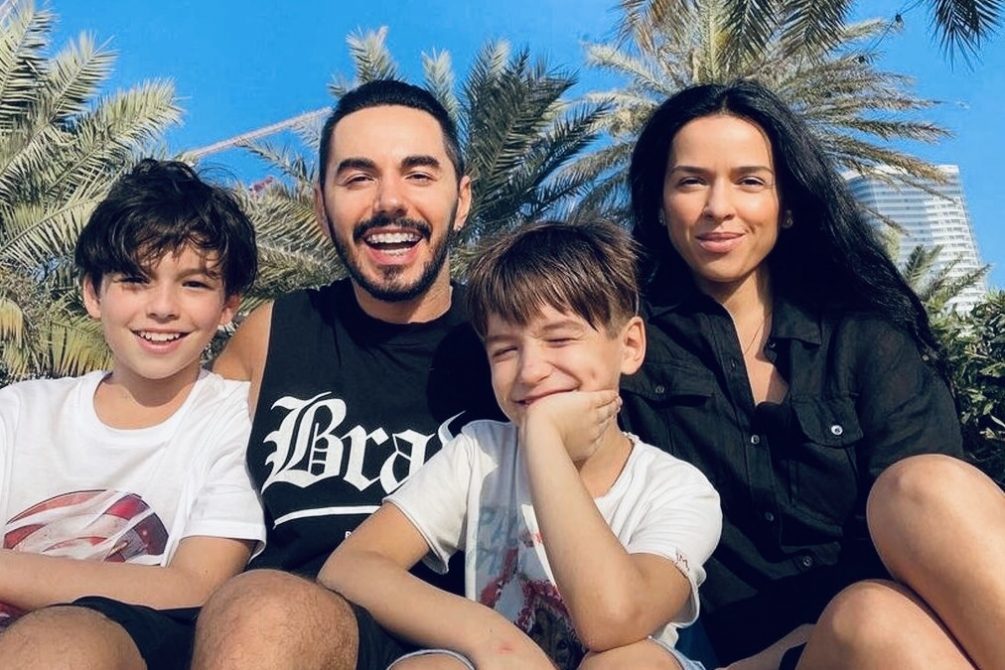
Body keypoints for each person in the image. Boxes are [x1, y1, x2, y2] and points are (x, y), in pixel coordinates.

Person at [617, 80, 981, 670]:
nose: (718, 206)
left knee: (927, 489)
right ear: (659, 204)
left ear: (787, 205)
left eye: (749, 181)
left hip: (900, 635)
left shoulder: (865, 339)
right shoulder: (624, 350)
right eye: (691, 181)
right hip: (738, 658)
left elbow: (933, 539)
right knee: (870, 619)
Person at [189, 79, 501, 670]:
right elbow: (176, 465)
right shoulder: (273, 334)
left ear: (461, 200)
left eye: (419, 174)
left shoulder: (509, 345)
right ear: (320, 206)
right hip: (265, 634)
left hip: (453, 645)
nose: (389, 201)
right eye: (358, 178)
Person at [319, 219, 722, 670]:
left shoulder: (678, 490)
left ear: (629, 345)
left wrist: (545, 441)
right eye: (505, 350)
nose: (530, 370)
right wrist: (492, 638)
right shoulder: (481, 455)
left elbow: (611, 621)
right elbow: (350, 566)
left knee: (628, 663)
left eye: (560, 338)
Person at [0, 160, 265, 664]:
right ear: (92, 293)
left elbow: (194, 586)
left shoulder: (236, 423)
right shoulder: (18, 413)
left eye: (193, 284)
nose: (162, 307)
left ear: (228, 306)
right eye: (135, 280)